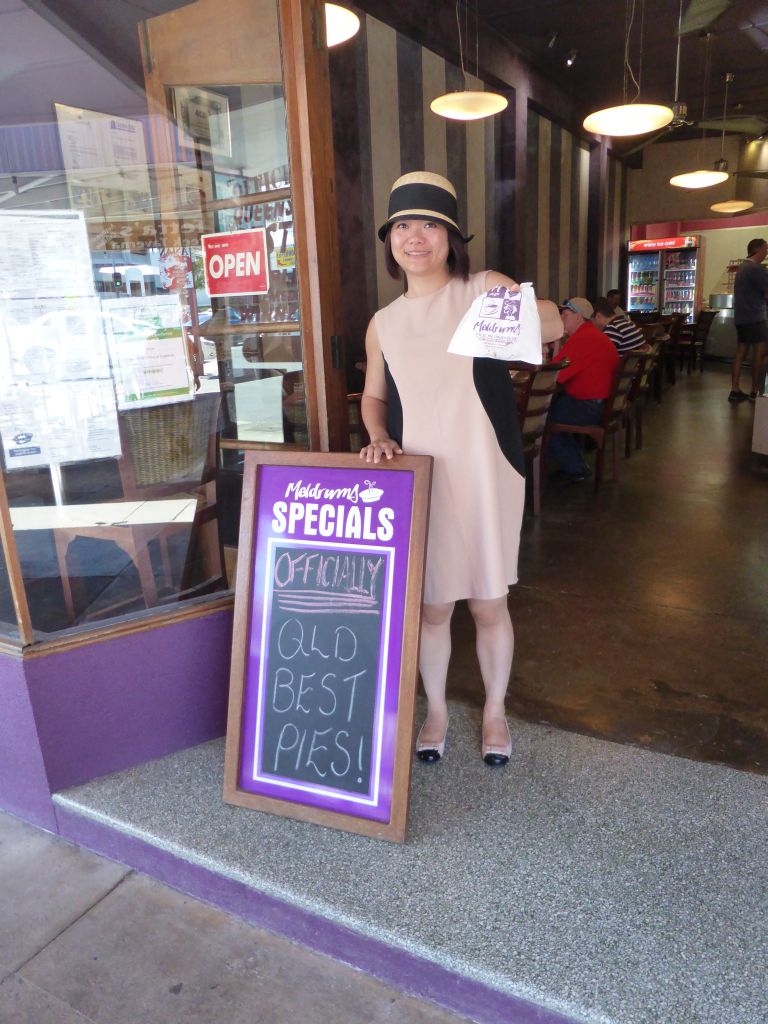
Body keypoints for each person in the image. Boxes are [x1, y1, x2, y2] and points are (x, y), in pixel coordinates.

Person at [360, 171, 525, 767]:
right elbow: (374, 397)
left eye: (430, 224)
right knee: (431, 606)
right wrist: (378, 436)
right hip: (422, 476)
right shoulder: (383, 322)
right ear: (390, 241)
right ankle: (435, 708)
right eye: (403, 225)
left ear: (452, 237)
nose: (415, 237)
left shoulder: (483, 289)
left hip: (486, 468)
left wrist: (543, 318)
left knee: (488, 602)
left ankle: (494, 710)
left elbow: (548, 326)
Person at [547, 297, 619, 483]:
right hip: (602, 404)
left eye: (565, 314)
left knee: (541, 419)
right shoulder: (591, 335)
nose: (561, 318)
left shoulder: (582, 339)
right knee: (554, 407)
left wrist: (555, 344)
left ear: (578, 317)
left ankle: (574, 469)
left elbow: (553, 376)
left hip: (590, 407)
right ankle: (575, 463)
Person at [730, 237, 768, 403]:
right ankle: (755, 391)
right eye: (766, 249)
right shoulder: (756, 269)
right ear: (758, 250)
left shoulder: (742, 268)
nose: (766, 253)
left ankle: (735, 389)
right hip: (756, 317)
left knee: (741, 353)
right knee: (758, 355)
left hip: (741, 318)